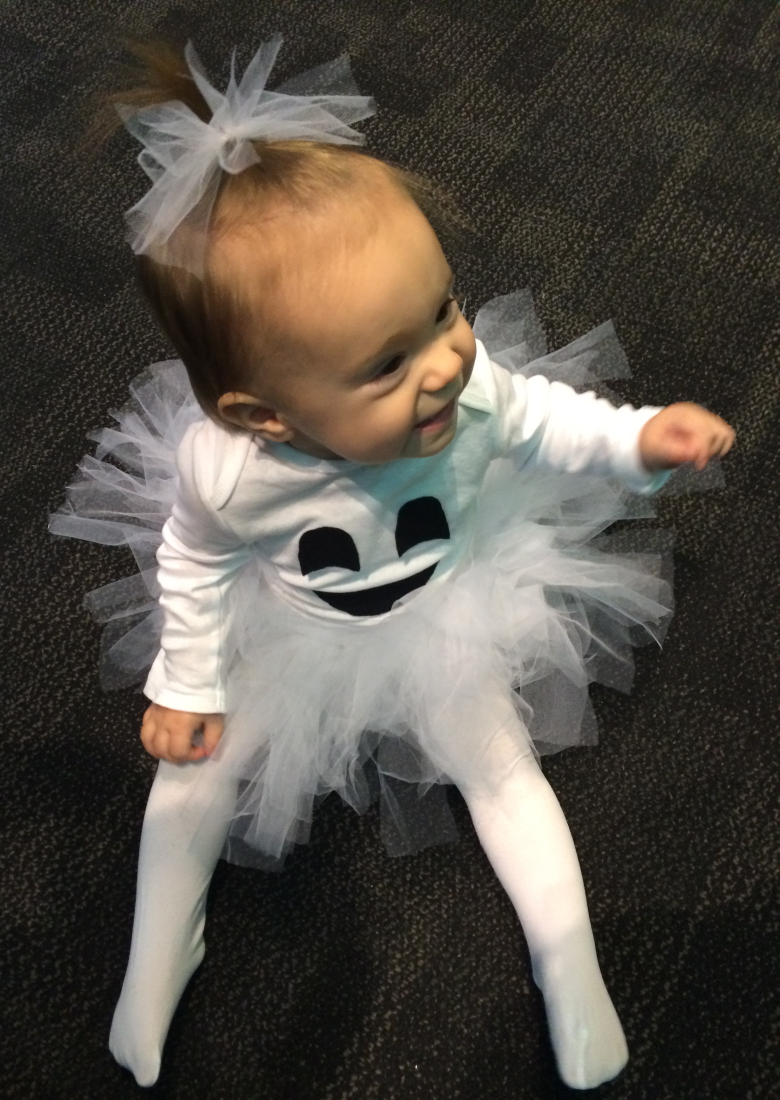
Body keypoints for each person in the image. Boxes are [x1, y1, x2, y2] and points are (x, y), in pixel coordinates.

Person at [52, 35, 735, 1090]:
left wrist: (640, 440)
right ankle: (157, 954)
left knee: (503, 769)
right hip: (293, 628)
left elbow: (548, 421)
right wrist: (187, 680)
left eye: (442, 310)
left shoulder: (472, 392)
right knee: (190, 776)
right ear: (263, 415)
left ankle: (568, 962)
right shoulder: (232, 475)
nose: (447, 363)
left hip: (446, 609)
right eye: (387, 363)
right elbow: (192, 561)